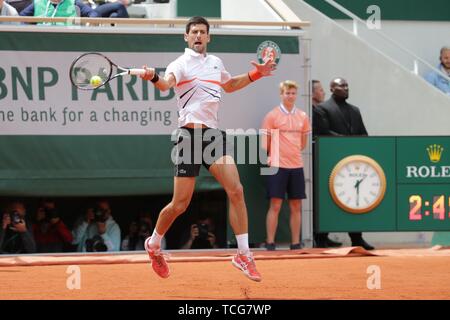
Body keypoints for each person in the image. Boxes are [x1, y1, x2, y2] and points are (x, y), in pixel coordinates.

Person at [139, 16, 276, 282]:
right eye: (194, 32)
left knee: (236, 190)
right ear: (186, 37)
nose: (198, 36)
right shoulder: (179, 64)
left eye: (203, 32)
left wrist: (257, 73)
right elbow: (166, 84)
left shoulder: (216, 63)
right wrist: (152, 76)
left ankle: (244, 255)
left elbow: (230, 85)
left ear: (209, 37)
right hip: (188, 137)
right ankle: (154, 244)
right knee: (179, 204)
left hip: (213, 136)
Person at [315, 77, 374, 250]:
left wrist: (355, 144)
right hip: (330, 163)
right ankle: (321, 238)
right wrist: (348, 142)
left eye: (347, 85)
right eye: (341, 86)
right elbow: (323, 134)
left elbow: (364, 134)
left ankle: (357, 238)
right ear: (332, 88)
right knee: (326, 200)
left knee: (355, 200)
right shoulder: (321, 109)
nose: (346, 88)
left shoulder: (355, 110)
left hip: (353, 164)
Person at [260, 80, 311, 251]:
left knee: (296, 205)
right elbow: (264, 143)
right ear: (281, 95)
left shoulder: (303, 117)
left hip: (296, 166)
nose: (290, 96)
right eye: (287, 93)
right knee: (275, 204)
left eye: (293, 93)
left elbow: (303, 143)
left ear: (296, 95)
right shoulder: (272, 116)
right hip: (276, 166)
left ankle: (295, 243)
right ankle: (270, 242)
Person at [311, 80, 342, 248]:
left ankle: (323, 235)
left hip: (325, 158)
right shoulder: (312, 111)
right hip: (315, 160)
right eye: (321, 90)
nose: (323, 93)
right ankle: (317, 237)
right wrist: (341, 138)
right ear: (313, 93)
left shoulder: (321, 109)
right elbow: (322, 132)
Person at [19, 0, 98, 19]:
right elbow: (20, 18)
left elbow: (94, 14)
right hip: (41, 38)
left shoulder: (73, 2)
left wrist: (88, 24)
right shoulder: (38, 2)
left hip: (67, 37)